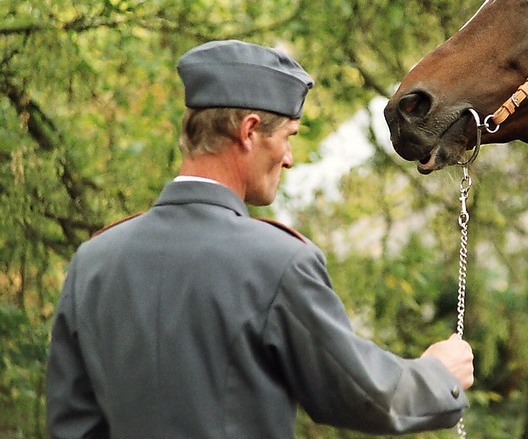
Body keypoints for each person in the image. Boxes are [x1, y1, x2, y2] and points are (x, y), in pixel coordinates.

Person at [46, 39, 474, 438]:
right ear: (250, 130)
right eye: (288, 137)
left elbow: (72, 424)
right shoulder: (277, 261)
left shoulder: (93, 260)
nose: (288, 160)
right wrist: (439, 375)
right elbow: (361, 394)